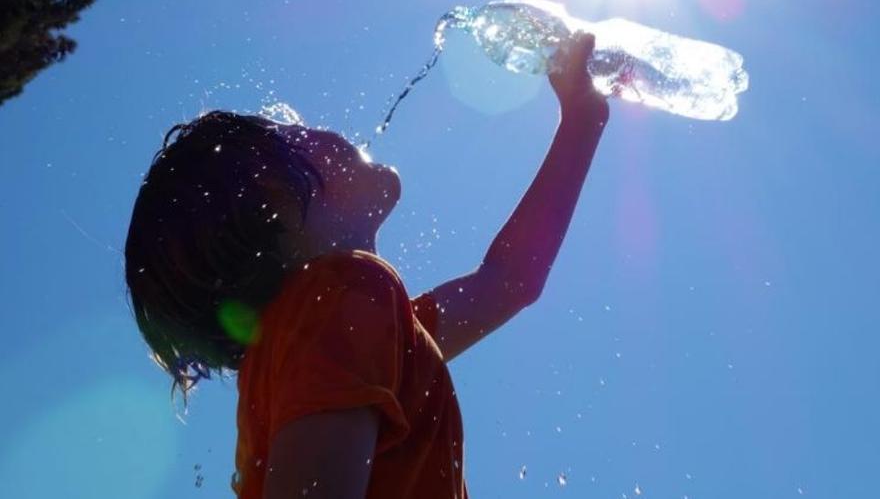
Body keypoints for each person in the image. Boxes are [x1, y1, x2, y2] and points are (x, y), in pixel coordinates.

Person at [124, 31, 609, 498]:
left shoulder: (345, 333)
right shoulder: (337, 302)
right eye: (294, 134)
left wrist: (582, 120)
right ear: (275, 202)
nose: (321, 130)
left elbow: (509, 281)